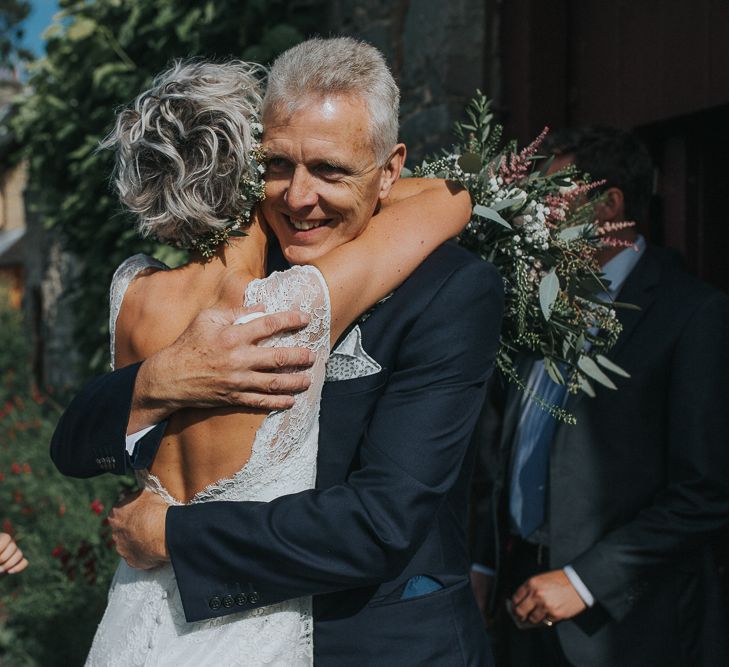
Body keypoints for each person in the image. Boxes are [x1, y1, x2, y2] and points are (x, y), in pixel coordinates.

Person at [52, 38, 503, 666]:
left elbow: (380, 520)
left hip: (374, 641)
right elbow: (74, 442)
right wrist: (161, 378)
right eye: (276, 165)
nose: (297, 196)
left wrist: (172, 536)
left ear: (391, 171)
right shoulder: (235, 273)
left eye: (330, 170)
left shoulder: (450, 290)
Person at [470, 126, 729, 667]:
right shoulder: (534, 305)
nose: (535, 216)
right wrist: (486, 565)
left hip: (625, 624)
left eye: (553, 197)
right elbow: (497, 450)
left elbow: (706, 493)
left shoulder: (692, 316)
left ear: (609, 204)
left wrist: (584, 581)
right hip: (517, 602)